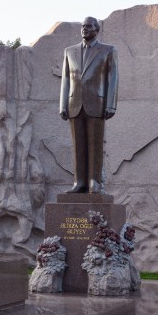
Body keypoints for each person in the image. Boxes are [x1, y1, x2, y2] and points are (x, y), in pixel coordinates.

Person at [59, 16, 118, 193]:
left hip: (97, 104)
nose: (84, 29)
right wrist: (63, 104)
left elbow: (113, 78)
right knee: (78, 145)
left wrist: (111, 104)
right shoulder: (70, 51)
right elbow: (66, 79)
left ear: (96, 30)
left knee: (95, 144)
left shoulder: (108, 50)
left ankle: (95, 182)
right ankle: (79, 182)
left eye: (89, 26)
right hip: (74, 103)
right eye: (83, 26)